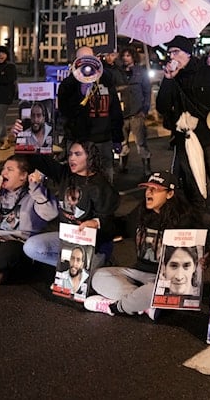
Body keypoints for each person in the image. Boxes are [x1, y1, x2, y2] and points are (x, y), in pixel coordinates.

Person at [84, 170, 204, 317]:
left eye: (155, 189)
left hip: (164, 280)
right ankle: (144, 305)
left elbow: (200, 253)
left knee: (156, 290)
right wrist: (96, 223)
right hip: (138, 274)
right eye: (148, 188)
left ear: (170, 194)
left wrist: (204, 260)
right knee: (99, 276)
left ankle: (115, 307)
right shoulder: (141, 212)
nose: (149, 193)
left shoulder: (185, 220)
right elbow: (120, 225)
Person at [155, 35, 210, 210]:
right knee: (191, 184)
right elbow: (162, 107)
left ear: (187, 53)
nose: (171, 56)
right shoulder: (173, 78)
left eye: (175, 52)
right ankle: (196, 220)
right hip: (185, 140)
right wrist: (168, 79)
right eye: (169, 53)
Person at [22, 140, 119, 270]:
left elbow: (110, 225)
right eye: (70, 154)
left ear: (90, 158)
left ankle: (101, 263)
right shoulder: (65, 174)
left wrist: (96, 223)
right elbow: (37, 159)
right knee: (32, 247)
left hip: (94, 244)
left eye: (78, 154)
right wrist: (24, 137)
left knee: (87, 279)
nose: (72, 158)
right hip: (67, 238)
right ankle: (66, 269)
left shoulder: (101, 186)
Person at [0, 155, 58, 286]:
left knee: (5, 254)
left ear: (23, 176)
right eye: (3, 168)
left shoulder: (34, 194)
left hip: (18, 246)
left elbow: (50, 213)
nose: (3, 173)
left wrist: (36, 188)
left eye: (9, 169)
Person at [57, 46, 123, 183]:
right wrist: (80, 94)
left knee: (105, 176)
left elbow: (115, 109)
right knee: (78, 178)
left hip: (103, 140)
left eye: (89, 59)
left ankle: (105, 202)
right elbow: (65, 112)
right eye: (81, 59)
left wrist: (117, 137)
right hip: (78, 140)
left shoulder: (106, 79)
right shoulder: (68, 84)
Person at [115, 45, 152, 177]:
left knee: (141, 143)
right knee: (123, 143)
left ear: (133, 57)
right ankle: (122, 165)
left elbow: (147, 91)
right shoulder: (118, 72)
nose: (125, 58)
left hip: (137, 114)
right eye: (124, 55)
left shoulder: (140, 72)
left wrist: (145, 110)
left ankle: (146, 168)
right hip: (122, 115)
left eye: (128, 55)